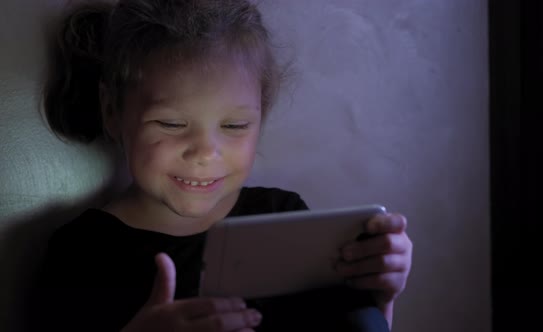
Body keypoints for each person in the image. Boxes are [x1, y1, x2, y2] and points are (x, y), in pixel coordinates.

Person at [32, 0, 413, 331]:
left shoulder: (283, 218)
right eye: (171, 123)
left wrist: (379, 297)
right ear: (113, 110)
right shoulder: (81, 253)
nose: (204, 152)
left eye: (234, 126)